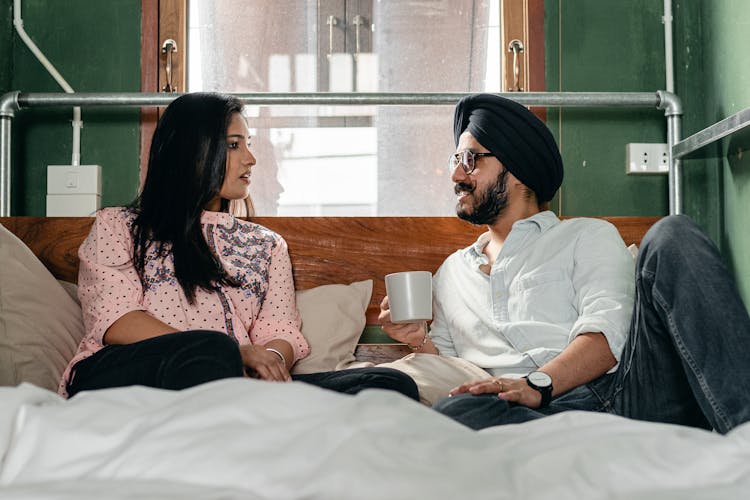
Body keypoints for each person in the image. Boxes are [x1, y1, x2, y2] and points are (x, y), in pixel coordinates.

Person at [379, 93, 750, 434]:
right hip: (527, 417)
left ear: (518, 168)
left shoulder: (586, 236)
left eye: (470, 160)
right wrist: (418, 340)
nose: (456, 175)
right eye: (456, 161)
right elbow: (451, 367)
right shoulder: (451, 274)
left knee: (672, 234)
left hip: (622, 393)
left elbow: (610, 333)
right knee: (455, 412)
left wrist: (536, 384)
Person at [61, 92, 418, 401]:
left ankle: (250, 417)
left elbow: (279, 330)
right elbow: (115, 320)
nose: (251, 158)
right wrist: (235, 353)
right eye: (234, 145)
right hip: (127, 376)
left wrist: (269, 362)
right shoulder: (120, 225)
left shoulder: (266, 246)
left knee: (386, 383)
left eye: (248, 144)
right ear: (192, 151)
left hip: (236, 384)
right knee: (210, 350)